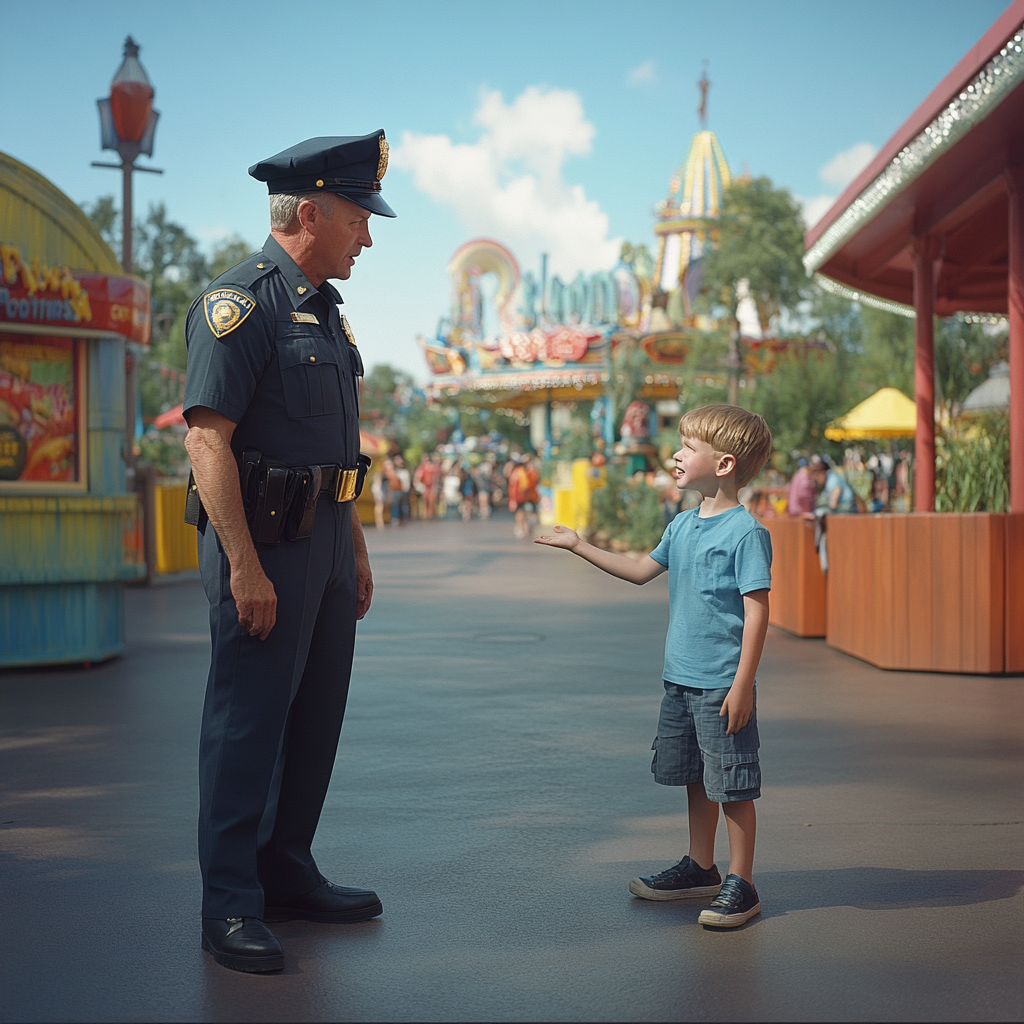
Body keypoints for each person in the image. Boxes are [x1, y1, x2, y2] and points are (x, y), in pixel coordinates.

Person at [182, 131, 396, 973]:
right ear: (308, 212)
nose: (367, 237)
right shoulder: (238, 305)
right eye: (356, 219)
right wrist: (241, 565)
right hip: (264, 550)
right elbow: (208, 444)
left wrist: (357, 547)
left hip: (326, 551)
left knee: (313, 720)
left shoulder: (324, 312)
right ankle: (230, 904)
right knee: (245, 728)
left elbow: (336, 448)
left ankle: (287, 870)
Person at [535, 405, 773, 928]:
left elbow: (758, 613)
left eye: (689, 448)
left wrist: (743, 685)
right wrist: (579, 546)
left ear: (726, 463)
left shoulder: (745, 533)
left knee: (731, 783)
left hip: (720, 683)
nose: (676, 454)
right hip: (681, 680)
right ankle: (701, 867)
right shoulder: (682, 525)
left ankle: (743, 881)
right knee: (695, 776)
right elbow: (641, 570)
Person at [508, 454, 540, 539]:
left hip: (525, 497)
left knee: (523, 512)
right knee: (523, 512)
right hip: (523, 497)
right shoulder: (521, 472)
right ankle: (523, 527)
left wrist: (519, 497)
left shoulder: (522, 472)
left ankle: (523, 528)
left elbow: (524, 486)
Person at [390, 454, 411, 526]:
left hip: (403, 490)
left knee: (404, 505)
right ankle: (396, 518)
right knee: (395, 505)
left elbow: (406, 482)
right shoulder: (393, 471)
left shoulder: (404, 471)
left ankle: (404, 519)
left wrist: (406, 490)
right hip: (395, 490)